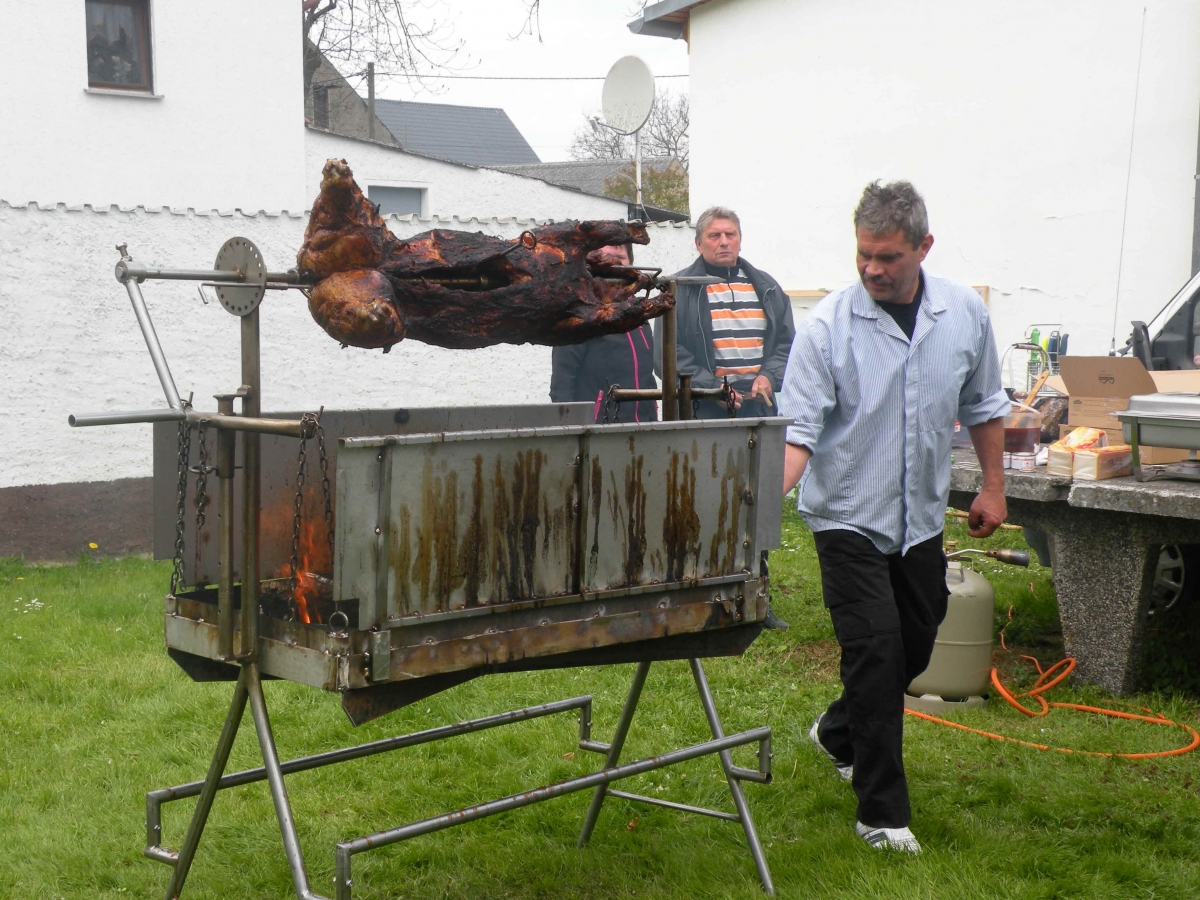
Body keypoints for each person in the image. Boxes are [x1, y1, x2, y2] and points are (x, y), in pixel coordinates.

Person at [778, 180, 1009, 853]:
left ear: (923, 247)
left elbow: (985, 406)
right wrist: (758, 510)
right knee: (876, 651)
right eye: (863, 254)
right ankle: (881, 814)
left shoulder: (963, 314)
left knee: (916, 640)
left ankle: (838, 732)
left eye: (888, 257)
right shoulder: (829, 327)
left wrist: (993, 490)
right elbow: (797, 435)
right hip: (846, 515)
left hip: (920, 519)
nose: (872, 269)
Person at [656, 207, 795, 419]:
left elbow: (787, 345)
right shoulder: (677, 289)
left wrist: (769, 376)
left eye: (730, 234)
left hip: (758, 409)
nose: (724, 242)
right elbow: (665, 354)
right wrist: (712, 389)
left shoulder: (768, 287)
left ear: (740, 240)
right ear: (698, 244)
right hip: (699, 411)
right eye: (714, 235)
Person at [550, 242, 656, 422]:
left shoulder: (639, 310)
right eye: (607, 257)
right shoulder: (579, 311)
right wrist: (569, 427)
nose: (614, 264)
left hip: (643, 424)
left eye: (620, 258)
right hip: (599, 426)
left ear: (631, 262)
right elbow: (562, 383)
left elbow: (647, 374)